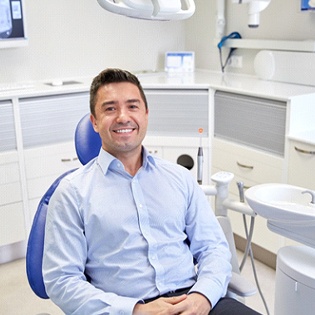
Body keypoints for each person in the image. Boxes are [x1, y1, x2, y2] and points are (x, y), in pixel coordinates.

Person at [43, 68, 261, 315]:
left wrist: (203, 296)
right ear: (94, 121)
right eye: (110, 108)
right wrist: (135, 310)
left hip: (194, 301)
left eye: (133, 106)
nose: (123, 117)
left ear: (146, 115)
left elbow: (214, 248)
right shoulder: (72, 193)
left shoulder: (179, 178)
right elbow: (62, 280)